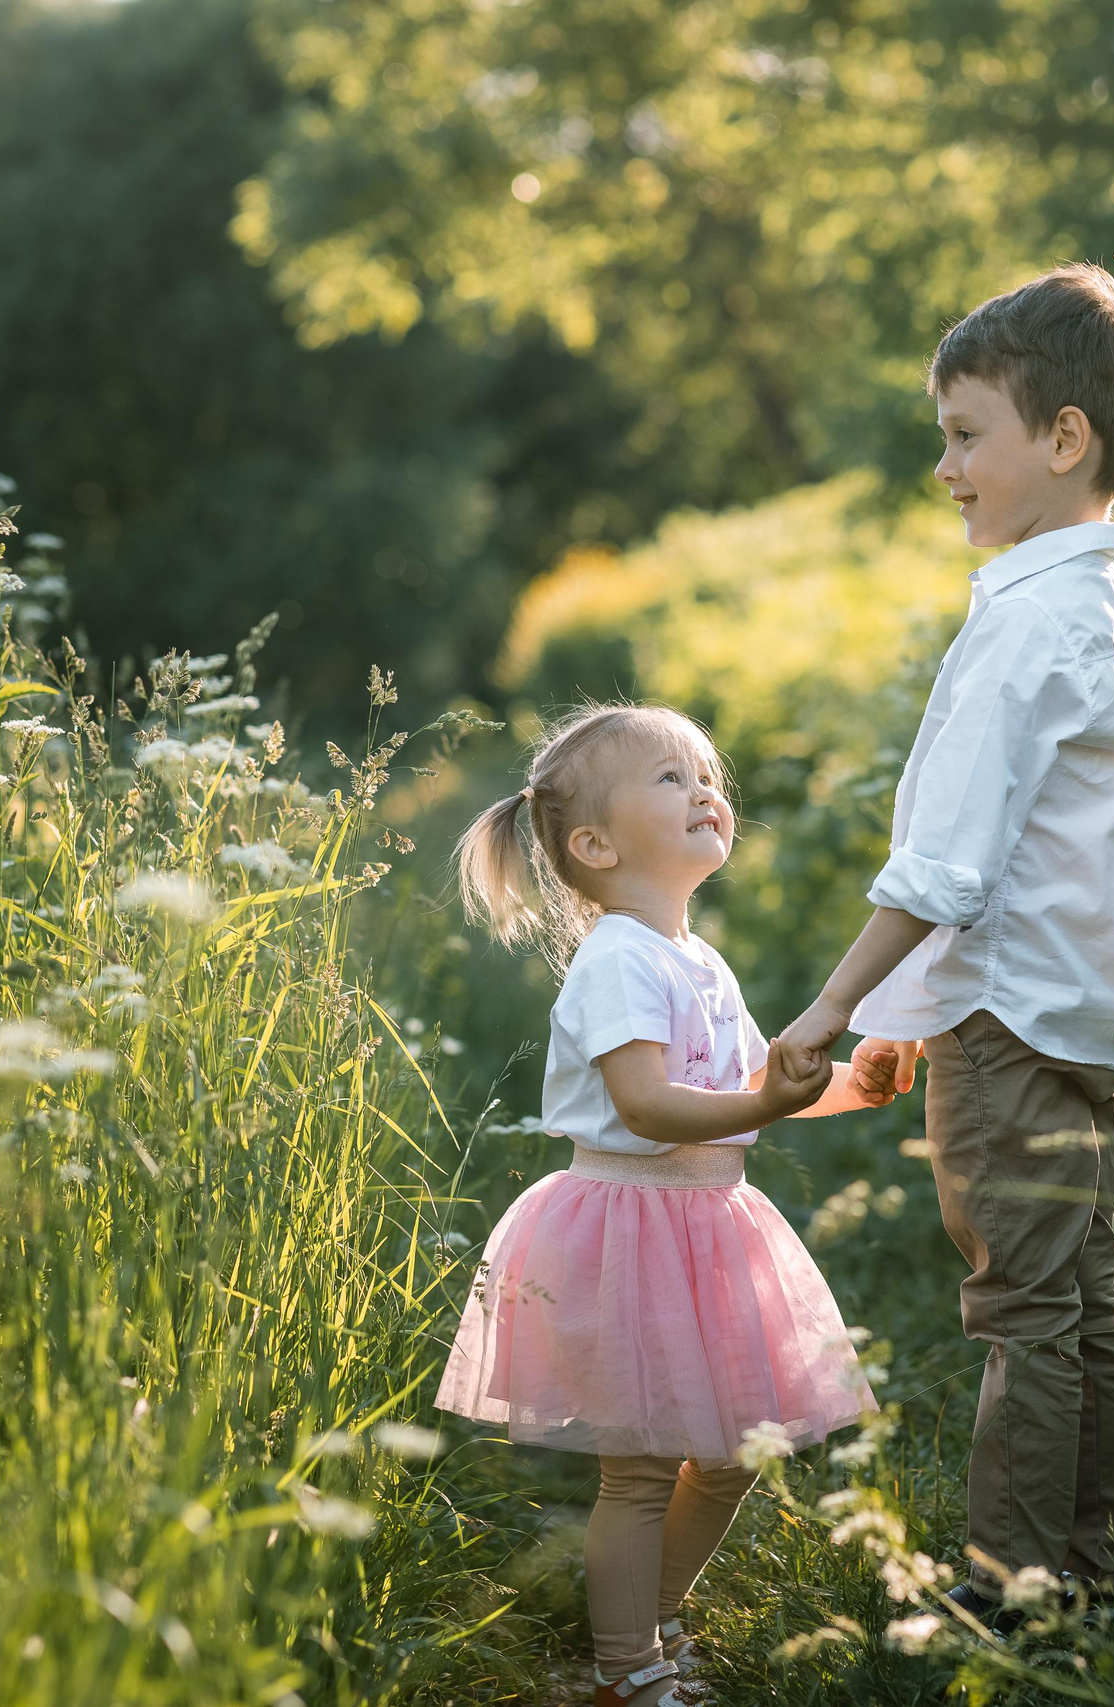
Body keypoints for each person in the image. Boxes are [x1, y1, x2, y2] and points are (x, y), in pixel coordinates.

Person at [775, 262, 1114, 1627]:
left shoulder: (1024, 623)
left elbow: (946, 866)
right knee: (1081, 1302)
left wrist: (835, 1008)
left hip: (1007, 1026)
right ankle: (1109, 1564)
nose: (944, 466)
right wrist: (908, 1010)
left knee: (1024, 1309)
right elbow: (1018, 859)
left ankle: (1012, 1588)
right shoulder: (1086, 604)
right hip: (1069, 1009)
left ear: (1064, 439)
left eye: (965, 435)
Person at [438, 704, 893, 1707]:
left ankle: (651, 1615)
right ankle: (624, 1667)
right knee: (640, 1473)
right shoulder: (618, 961)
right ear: (595, 845)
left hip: (707, 1229)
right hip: (628, 1230)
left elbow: (747, 1079)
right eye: (669, 779)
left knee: (731, 1457)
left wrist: (853, 1081)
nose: (702, 791)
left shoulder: (696, 956)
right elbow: (646, 1104)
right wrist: (763, 1100)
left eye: (703, 775)